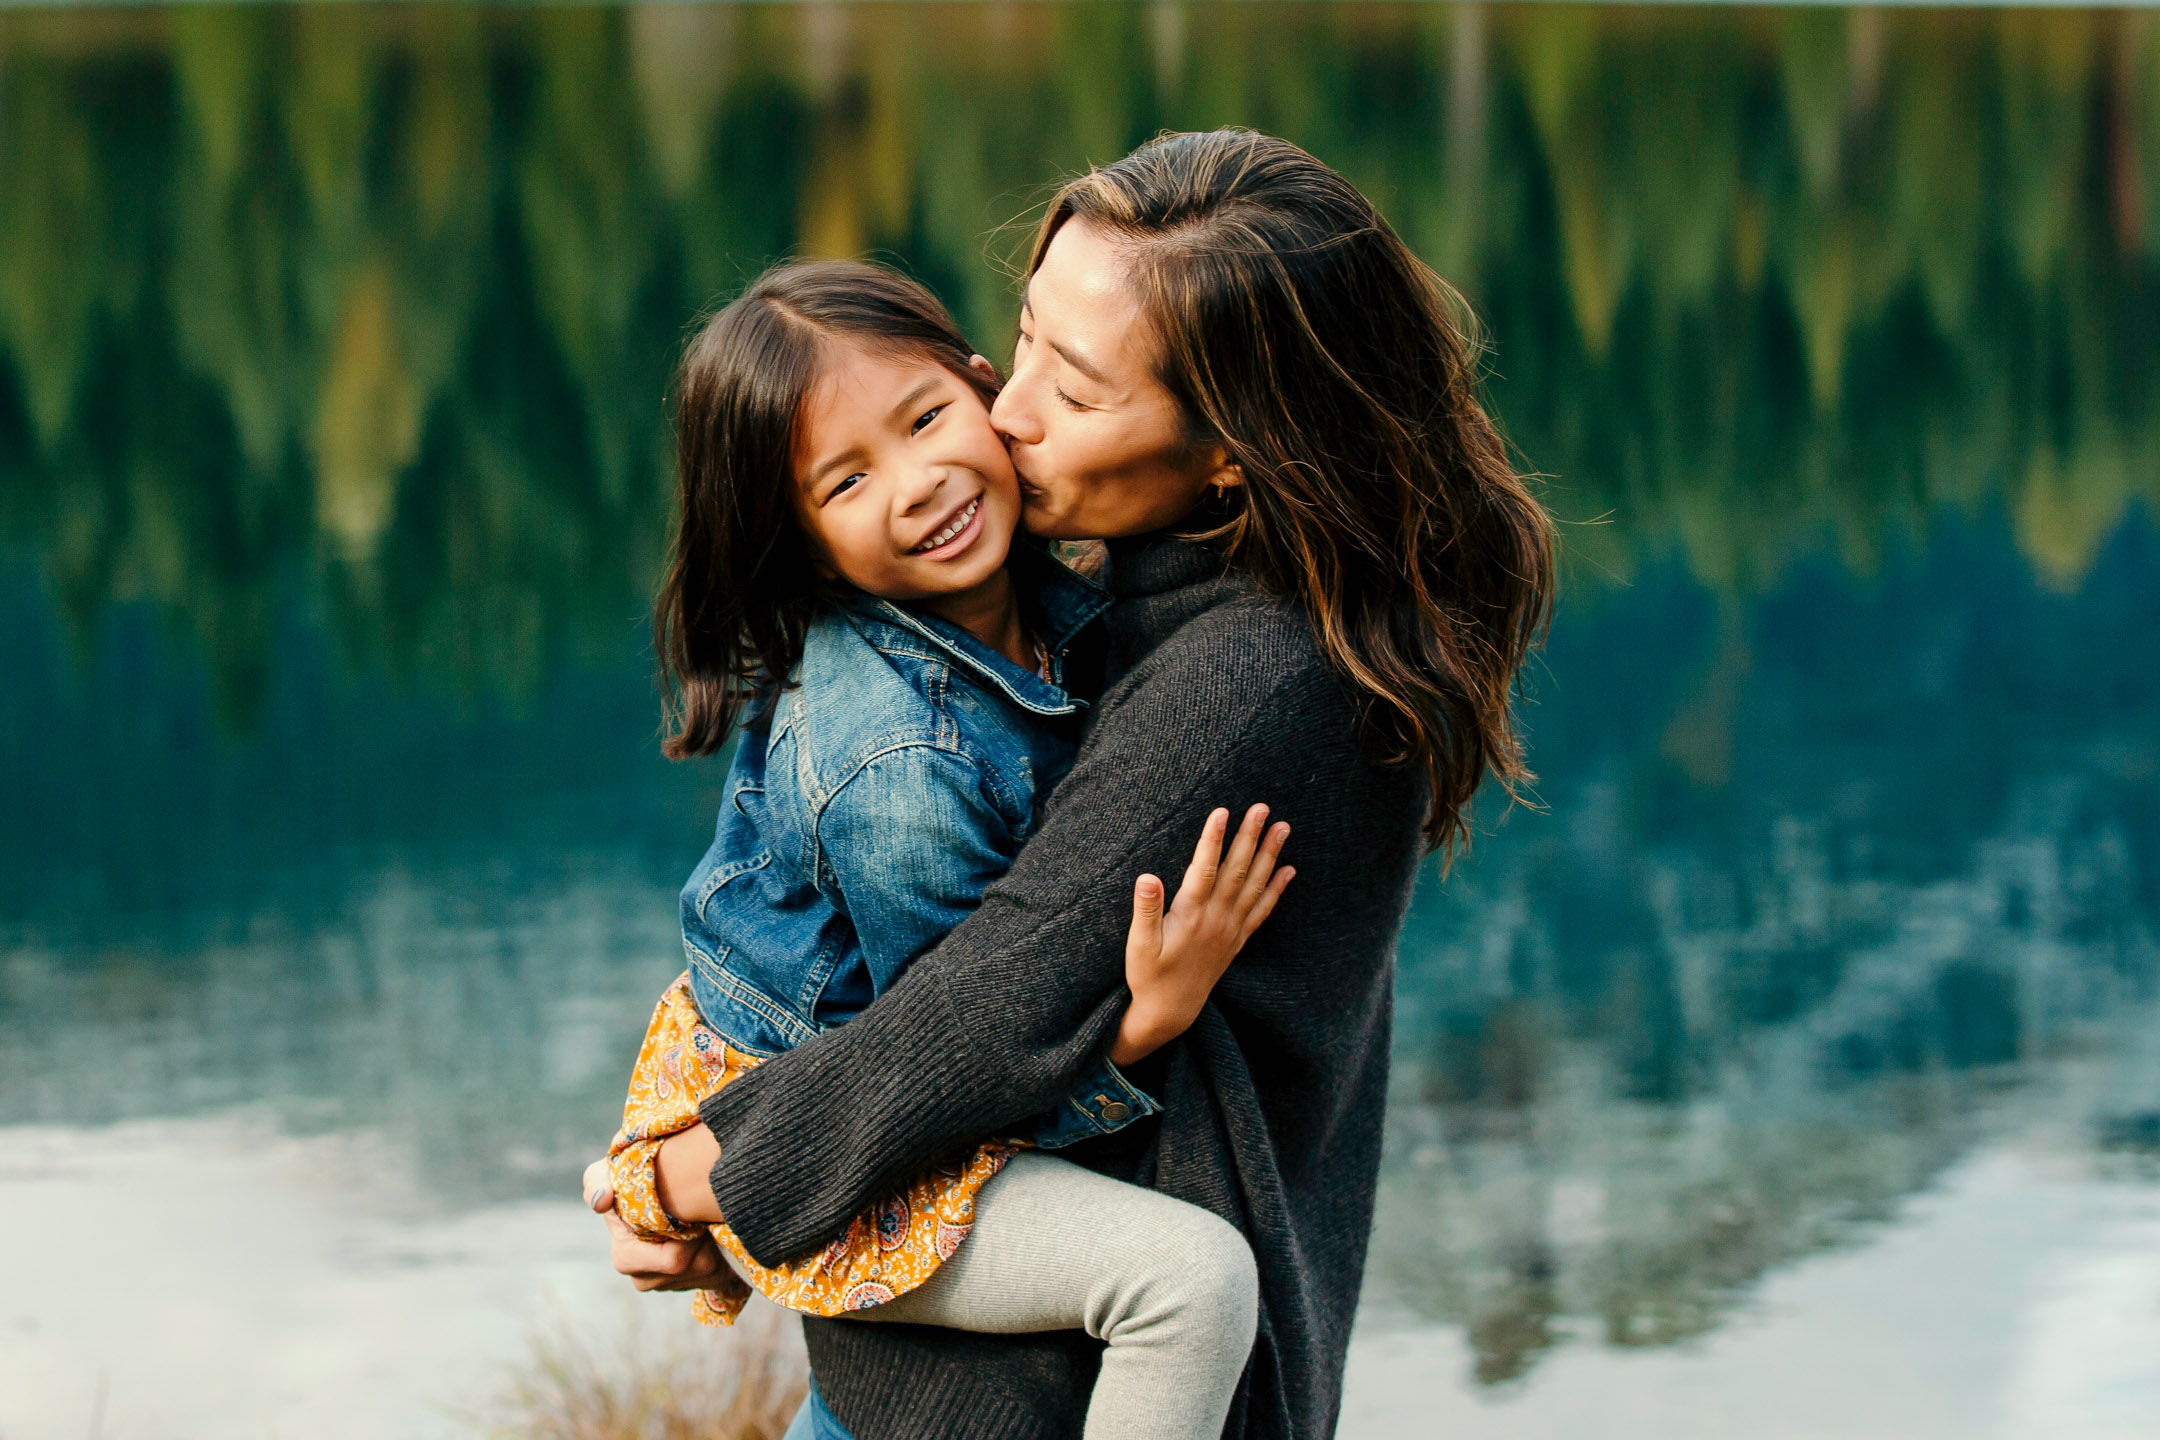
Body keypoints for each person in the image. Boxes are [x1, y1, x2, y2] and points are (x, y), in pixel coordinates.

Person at [609, 129, 1556, 1440]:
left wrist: (688, 1178)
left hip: (1035, 1401)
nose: (1007, 409)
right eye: (1027, 336)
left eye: (1081, 383)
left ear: (1237, 448)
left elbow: (985, 1006)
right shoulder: (1123, 580)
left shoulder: (1245, 680)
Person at [586, 258, 1294, 1440]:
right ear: (802, 544)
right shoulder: (892, 764)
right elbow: (949, 1063)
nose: (919, 485)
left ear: (984, 390)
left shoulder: (1050, 609)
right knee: (1188, 1287)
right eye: (847, 480)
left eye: (924, 420)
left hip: (858, 1116)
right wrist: (1143, 1026)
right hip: (859, 1153)